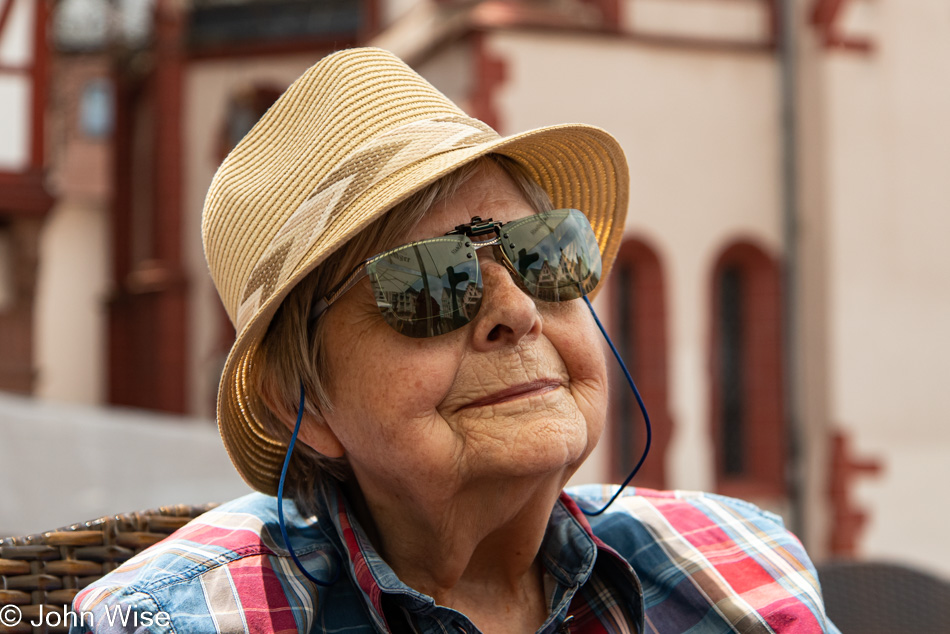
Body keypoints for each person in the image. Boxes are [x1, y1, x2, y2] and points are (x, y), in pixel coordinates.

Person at [70, 48, 838, 633]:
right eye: (429, 281)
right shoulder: (172, 620)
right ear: (303, 401)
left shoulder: (740, 565)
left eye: (545, 252)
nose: (519, 310)